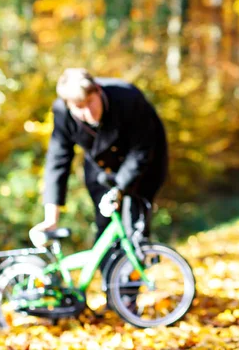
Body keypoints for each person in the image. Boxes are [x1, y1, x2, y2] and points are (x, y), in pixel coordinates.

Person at [33, 68, 168, 246]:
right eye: (79, 108)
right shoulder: (62, 113)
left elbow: (141, 151)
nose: (88, 113)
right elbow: (57, 161)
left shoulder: (128, 98)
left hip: (143, 163)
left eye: (90, 102)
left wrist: (120, 190)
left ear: (98, 90)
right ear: (68, 105)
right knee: (105, 227)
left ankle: (135, 266)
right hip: (102, 168)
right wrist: (51, 218)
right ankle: (109, 271)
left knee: (133, 223)